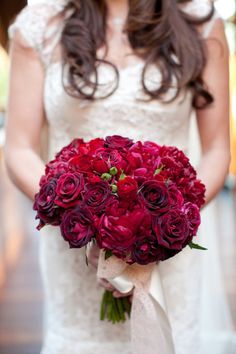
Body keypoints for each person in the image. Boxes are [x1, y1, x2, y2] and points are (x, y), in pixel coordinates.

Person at [4, 0, 234, 353]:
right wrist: (83, 219)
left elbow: (217, 148)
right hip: (73, 249)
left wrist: (167, 224)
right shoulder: (41, 24)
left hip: (169, 253)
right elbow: (19, 148)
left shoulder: (201, 22)